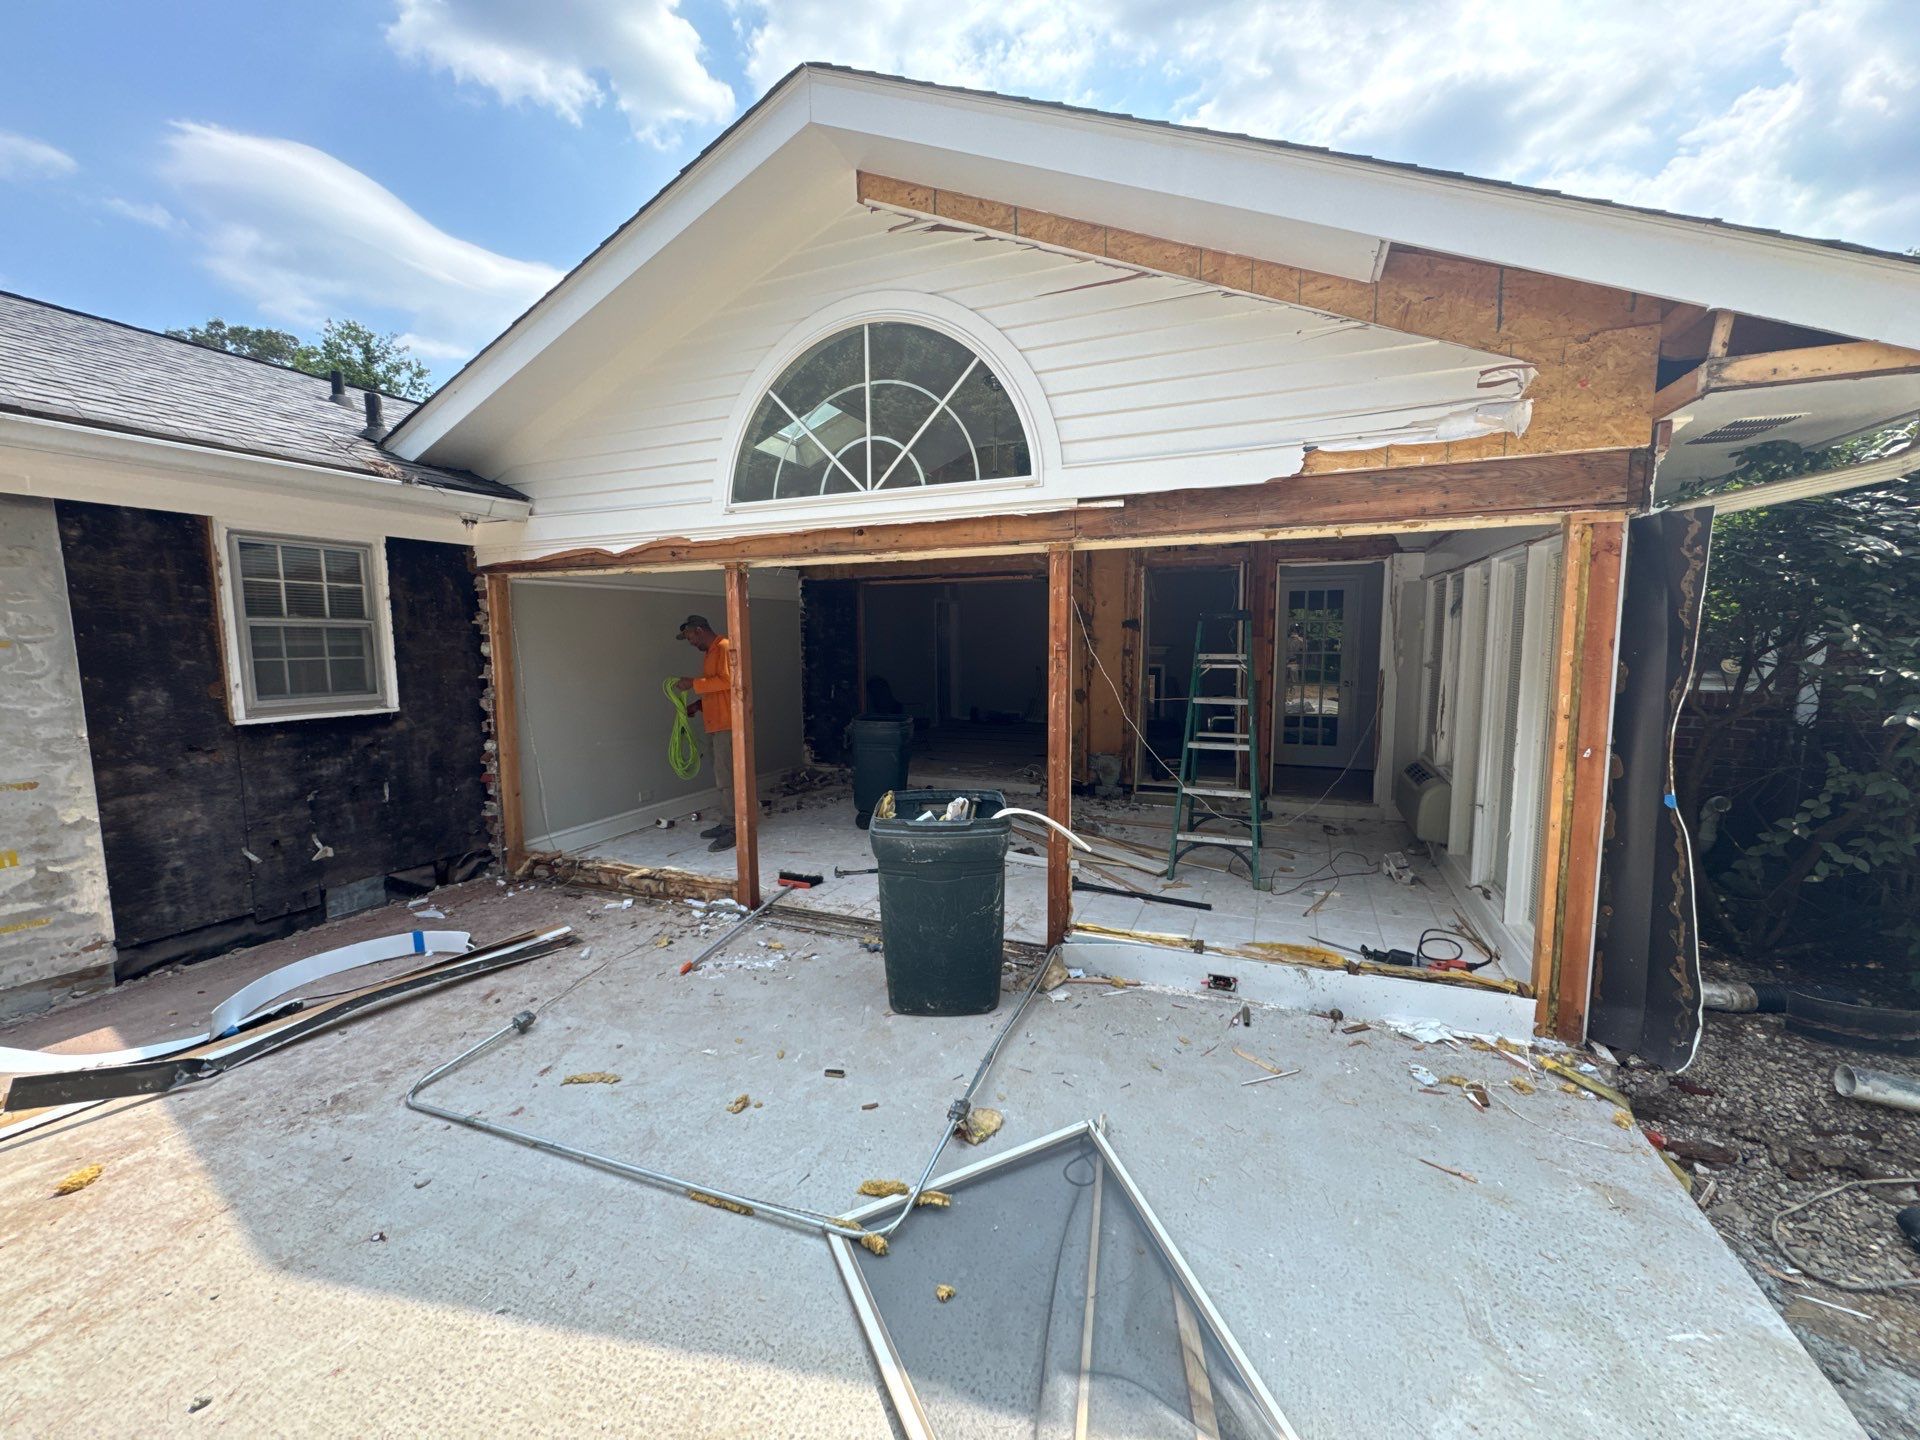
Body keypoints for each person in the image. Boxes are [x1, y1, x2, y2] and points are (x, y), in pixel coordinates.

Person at [674, 614, 737, 852]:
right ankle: (729, 821)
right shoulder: (711, 652)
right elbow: (717, 689)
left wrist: (693, 683)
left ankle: (735, 828)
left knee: (728, 778)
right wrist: (698, 706)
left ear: (699, 630)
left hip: (727, 724)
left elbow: (728, 681)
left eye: (689, 636)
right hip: (715, 723)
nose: (690, 641)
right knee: (723, 777)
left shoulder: (724, 647)